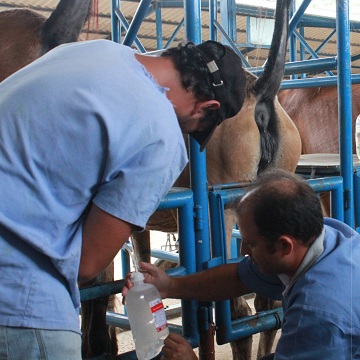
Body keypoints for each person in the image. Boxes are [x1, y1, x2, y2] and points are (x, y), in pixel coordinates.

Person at [0, 38, 247, 359]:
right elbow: (87, 264)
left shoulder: (92, 49)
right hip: (18, 295)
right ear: (206, 108)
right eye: (195, 128)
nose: (185, 131)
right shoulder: (160, 132)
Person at [123, 169, 360, 359]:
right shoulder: (325, 236)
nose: (244, 250)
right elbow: (239, 277)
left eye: (251, 243)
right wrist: (171, 286)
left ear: (285, 246)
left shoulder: (317, 313)